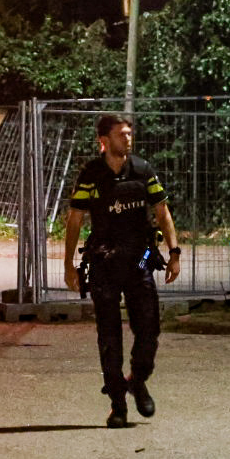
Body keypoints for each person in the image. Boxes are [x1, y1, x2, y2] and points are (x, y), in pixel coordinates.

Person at [63, 114, 181, 428]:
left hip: (139, 261)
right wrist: (68, 266)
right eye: (121, 134)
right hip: (104, 264)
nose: (127, 139)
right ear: (104, 140)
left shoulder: (142, 170)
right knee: (109, 336)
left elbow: (162, 211)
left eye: (129, 133)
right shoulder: (91, 174)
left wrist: (175, 252)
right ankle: (118, 404)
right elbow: (74, 219)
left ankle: (138, 379)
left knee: (149, 330)